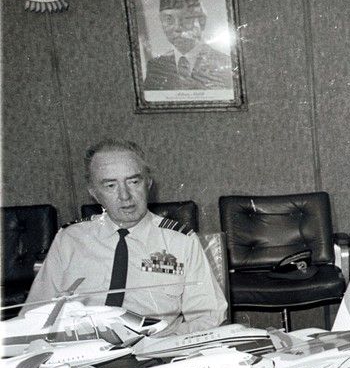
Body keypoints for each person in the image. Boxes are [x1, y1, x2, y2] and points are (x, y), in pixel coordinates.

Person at [26, 139, 227, 335]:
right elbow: (34, 315)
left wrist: (164, 339)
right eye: (110, 185)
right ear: (94, 193)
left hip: (153, 352)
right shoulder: (70, 239)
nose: (125, 196)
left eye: (133, 181)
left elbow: (208, 316)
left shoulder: (180, 241)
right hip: (82, 353)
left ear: (148, 183)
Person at [143, 0, 233, 91]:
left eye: (186, 18)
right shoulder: (156, 67)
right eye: (169, 20)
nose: (177, 27)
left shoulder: (225, 64)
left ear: (202, 21)